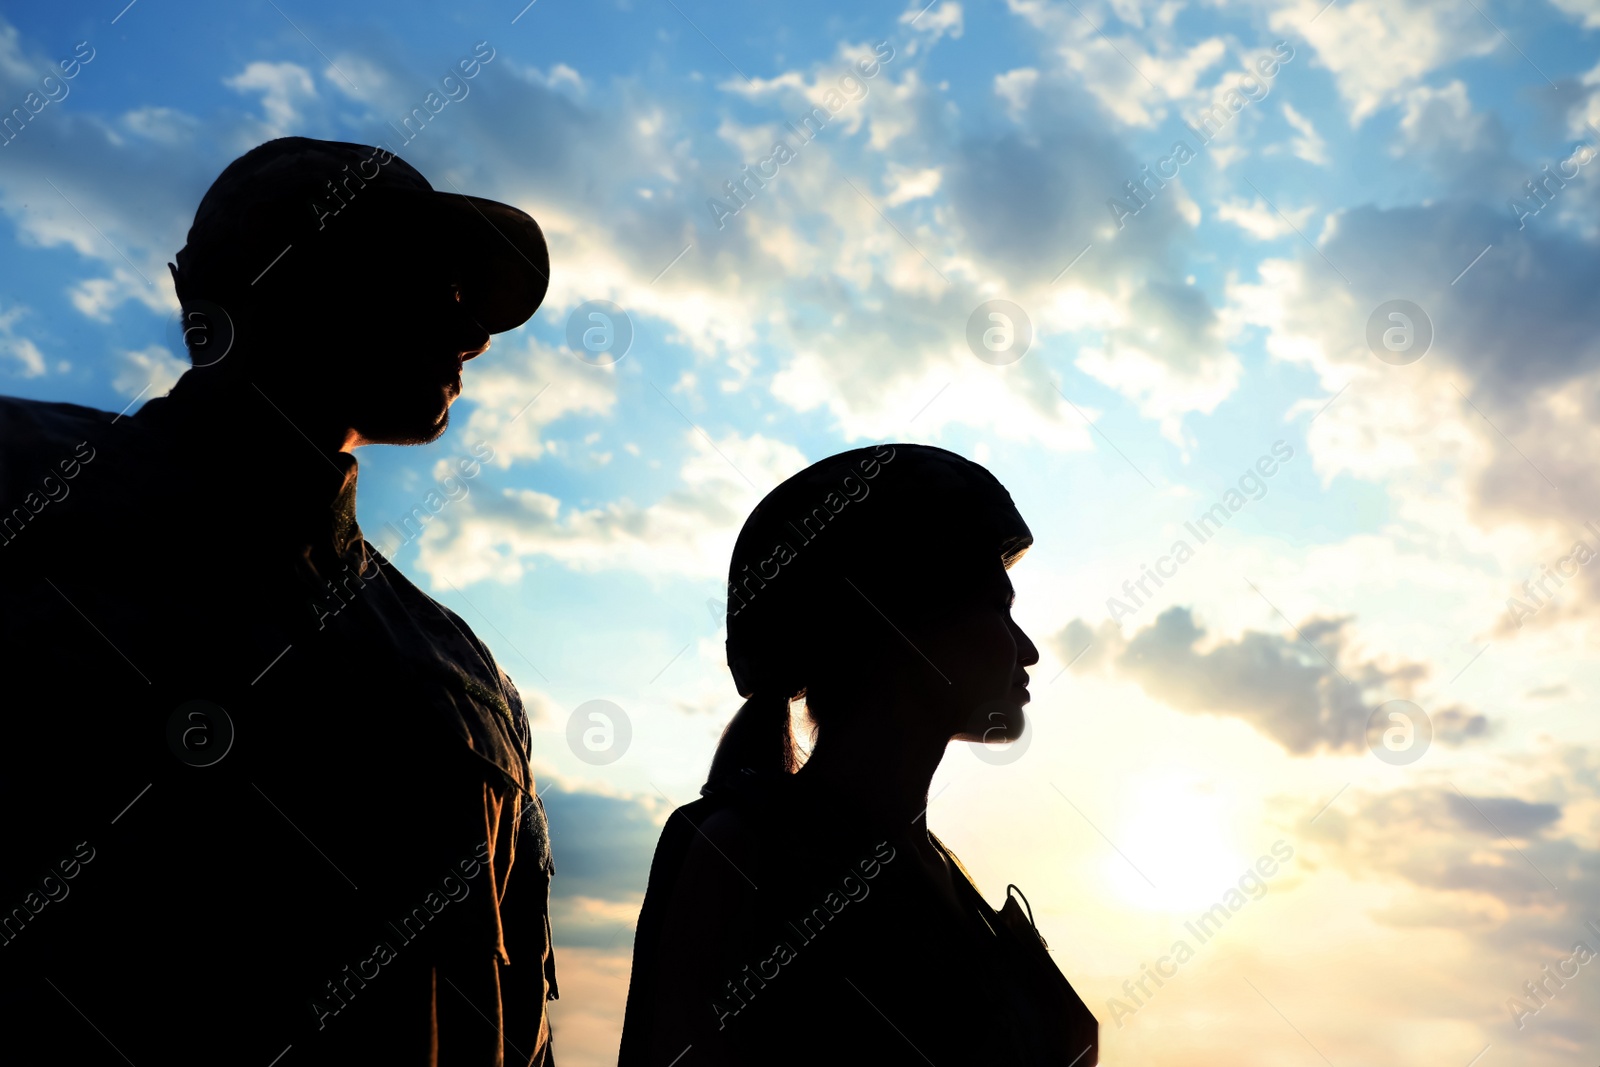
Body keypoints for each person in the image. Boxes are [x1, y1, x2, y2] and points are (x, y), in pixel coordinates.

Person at [0, 138, 558, 1065]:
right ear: (297, 284)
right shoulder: (22, 492)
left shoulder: (465, 674)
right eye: (435, 283)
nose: (473, 336)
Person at [618, 444, 1099, 1066]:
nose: (1028, 651)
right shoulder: (741, 851)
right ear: (901, 628)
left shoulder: (940, 876)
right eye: (999, 611)